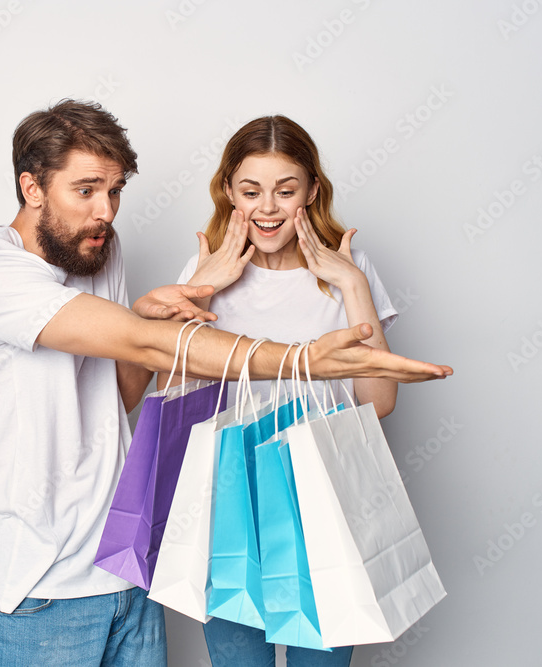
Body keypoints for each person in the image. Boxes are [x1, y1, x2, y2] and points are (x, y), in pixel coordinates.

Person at [0, 99, 450, 667]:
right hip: (52, 578)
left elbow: (121, 396)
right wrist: (297, 356)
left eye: (114, 191)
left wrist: (348, 287)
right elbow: (151, 352)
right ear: (31, 187)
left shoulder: (97, 252)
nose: (105, 210)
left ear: (311, 190)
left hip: (125, 564)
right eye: (86, 190)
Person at [170, 115, 399, 666]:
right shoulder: (206, 272)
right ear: (228, 191)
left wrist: (350, 283)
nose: (267, 207)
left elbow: (379, 402)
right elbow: (174, 398)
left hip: (325, 489)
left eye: (285, 190)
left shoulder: (349, 270)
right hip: (229, 489)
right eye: (251, 191)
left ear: (312, 191)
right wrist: (203, 292)